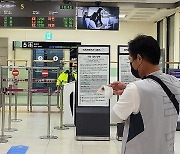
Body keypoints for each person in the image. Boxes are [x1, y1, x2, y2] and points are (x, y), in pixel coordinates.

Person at [109, 35, 180, 154]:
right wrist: (128, 91)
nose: (131, 65)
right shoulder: (175, 83)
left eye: (131, 61)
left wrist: (128, 93)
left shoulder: (135, 89)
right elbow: (156, 98)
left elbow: (115, 116)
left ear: (139, 59)